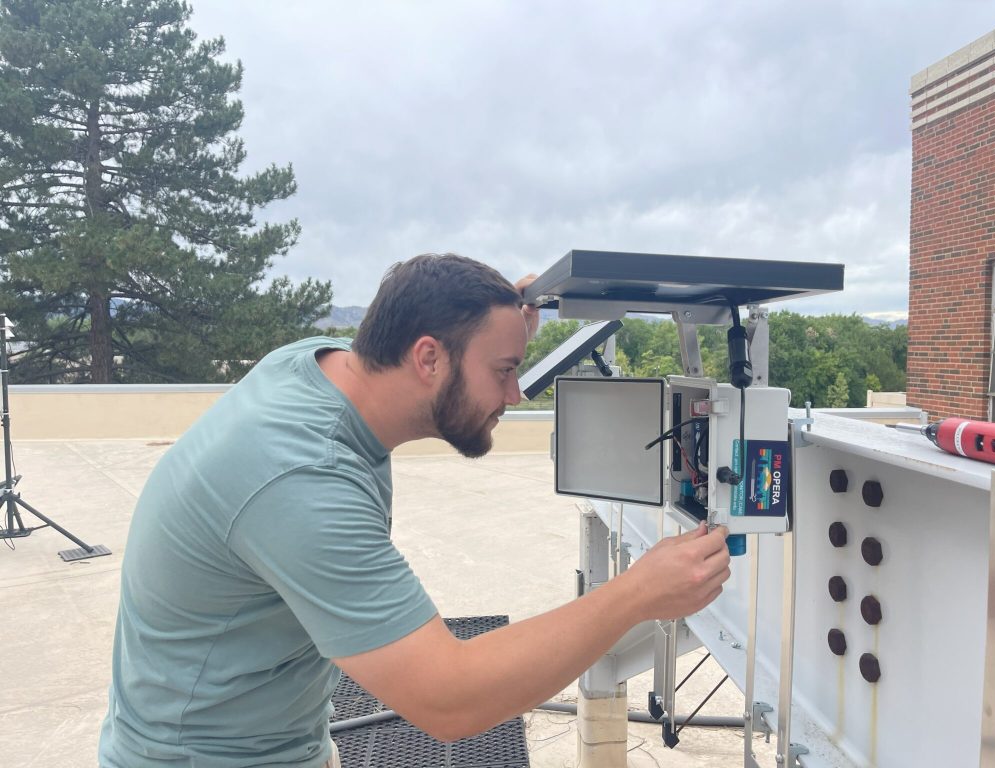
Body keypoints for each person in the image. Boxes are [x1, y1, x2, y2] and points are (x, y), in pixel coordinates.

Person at [99, 253, 731, 768]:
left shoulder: (318, 365)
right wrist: (637, 593)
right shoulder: (304, 479)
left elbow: (426, 314)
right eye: (505, 370)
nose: (515, 394)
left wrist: (501, 323)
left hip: (269, 739)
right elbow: (449, 700)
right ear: (427, 358)